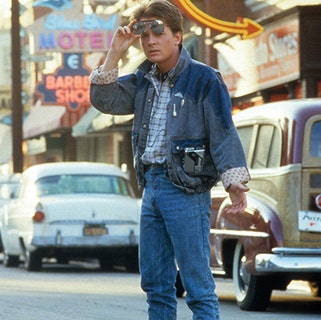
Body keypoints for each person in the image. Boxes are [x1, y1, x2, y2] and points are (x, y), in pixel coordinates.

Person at [89, 1, 250, 319]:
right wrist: (115, 51)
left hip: (187, 192)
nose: (150, 40)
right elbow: (104, 100)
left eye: (158, 31)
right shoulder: (143, 80)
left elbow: (223, 131)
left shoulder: (205, 79)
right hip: (152, 188)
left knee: (198, 287)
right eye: (143, 33)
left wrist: (235, 184)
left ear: (178, 36)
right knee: (156, 287)